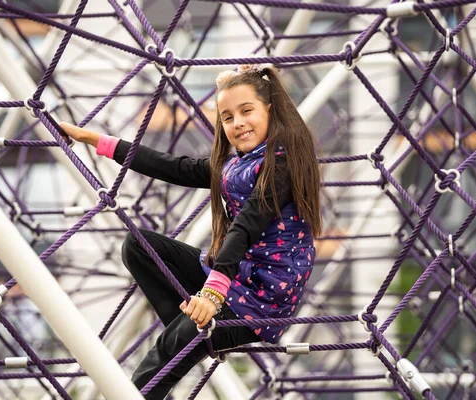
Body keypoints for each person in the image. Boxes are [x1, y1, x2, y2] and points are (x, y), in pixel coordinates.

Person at [59, 64, 321, 399]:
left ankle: (192, 336)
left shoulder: (282, 163)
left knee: (164, 353)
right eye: (227, 117)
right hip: (236, 276)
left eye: (246, 111)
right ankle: (194, 334)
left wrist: (212, 295)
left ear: (269, 110)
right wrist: (94, 139)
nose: (238, 123)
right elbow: (172, 166)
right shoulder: (235, 164)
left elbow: (245, 227)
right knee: (139, 246)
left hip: (261, 298)